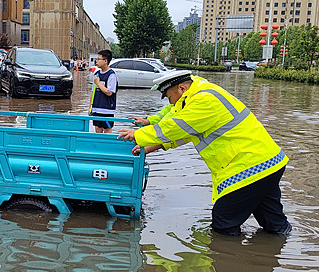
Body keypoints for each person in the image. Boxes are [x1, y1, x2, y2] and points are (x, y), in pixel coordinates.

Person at [118, 69, 291, 237]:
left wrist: (139, 135)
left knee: (224, 222)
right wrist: (149, 145)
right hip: (268, 163)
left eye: (169, 97)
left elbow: (177, 127)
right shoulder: (197, 93)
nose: (170, 103)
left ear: (182, 88)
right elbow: (183, 129)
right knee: (273, 222)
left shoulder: (203, 101)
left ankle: (230, 261)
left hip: (249, 168)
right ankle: (280, 253)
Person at [89, 49, 118, 133]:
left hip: (107, 109)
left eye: (98, 59)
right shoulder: (97, 74)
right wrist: (90, 107)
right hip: (96, 108)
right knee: (97, 129)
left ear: (105, 61)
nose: (96, 61)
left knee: (107, 130)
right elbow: (92, 92)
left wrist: (98, 83)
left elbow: (109, 92)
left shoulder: (111, 75)